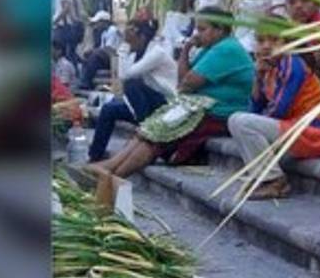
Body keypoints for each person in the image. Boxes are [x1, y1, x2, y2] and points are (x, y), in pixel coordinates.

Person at [89, 11, 253, 179]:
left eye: (202, 29)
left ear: (219, 30)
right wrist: (186, 49)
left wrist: (186, 79)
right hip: (196, 105)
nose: (197, 34)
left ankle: (114, 176)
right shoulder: (210, 49)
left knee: (159, 134)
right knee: (148, 129)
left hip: (218, 112)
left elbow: (187, 83)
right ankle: (111, 166)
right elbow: (182, 80)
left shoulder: (226, 49)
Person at [227, 17, 320, 200]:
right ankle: (263, 177)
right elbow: (254, 111)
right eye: (261, 41)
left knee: (239, 121)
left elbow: (278, 110)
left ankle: (274, 180)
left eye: (274, 40)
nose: (266, 46)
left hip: (311, 134)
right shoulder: (270, 69)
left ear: (287, 43)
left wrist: (256, 119)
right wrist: (258, 78)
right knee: (238, 120)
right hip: (292, 129)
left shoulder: (293, 64)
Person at [87, 19, 177, 162]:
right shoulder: (134, 54)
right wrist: (125, 48)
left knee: (132, 84)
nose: (128, 45)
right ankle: (95, 156)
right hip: (145, 106)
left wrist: (123, 49)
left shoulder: (157, 52)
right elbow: (119, 78)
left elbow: (127, 76)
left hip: (165, 104)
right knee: (108, 109)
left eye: (131, 41)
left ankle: (149, 136)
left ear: (142, 37)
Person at [78, 10, 119, 89]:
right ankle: (85, 81)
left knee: (95, 55)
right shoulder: (103, 33)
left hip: (113, 57)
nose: (96, 25)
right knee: (88, 56)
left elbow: (109, 48)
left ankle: (85, 82)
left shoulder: (112, 30)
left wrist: (94, 51)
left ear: (104, 22)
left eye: (98, 22)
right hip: (105, 56)